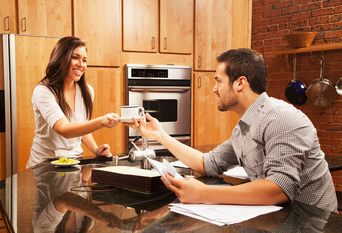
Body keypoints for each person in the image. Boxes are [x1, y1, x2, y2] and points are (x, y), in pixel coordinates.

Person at [127, 48, 338, 212]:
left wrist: (205, 193)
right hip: (278, 220)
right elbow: (207, 164)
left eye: (218, 80)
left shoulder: (280, 118)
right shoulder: (243, 127)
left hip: (313, 227)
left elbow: (279, 189)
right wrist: (159, 135)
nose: (214, 88)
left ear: (240, 83)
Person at [27, 37, 120, 168]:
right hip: (44, 164)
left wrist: (95, 150)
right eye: (75, 57)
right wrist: (101, 122)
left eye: (84, 60)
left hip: (74, 163)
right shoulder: (43, 91)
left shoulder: (87, 91)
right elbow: (64, 129)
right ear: (60, 59)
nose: (81, 65)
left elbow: (81, 128)